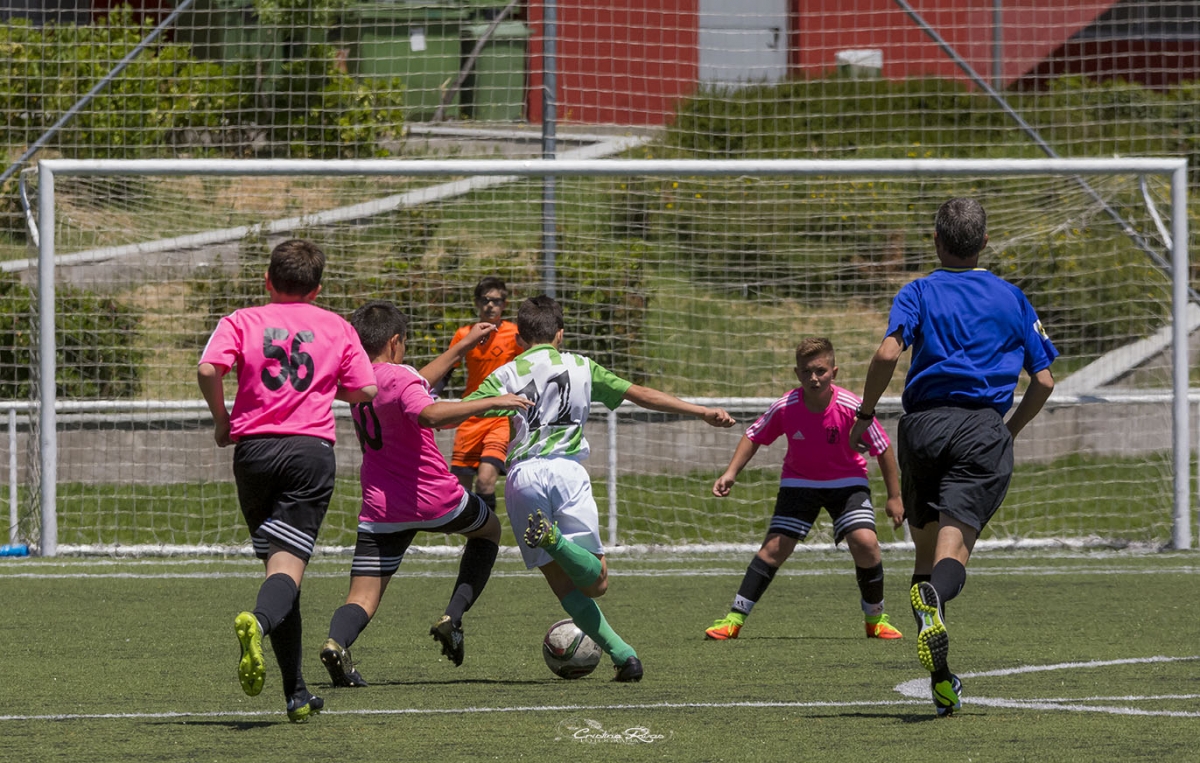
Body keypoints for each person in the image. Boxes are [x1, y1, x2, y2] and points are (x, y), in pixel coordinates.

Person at [849, 198, 1057, 717]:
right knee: (951, 556)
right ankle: (936, 599)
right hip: (980, 429)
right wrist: (1008, 432)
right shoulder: (1012, 298)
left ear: (937, 241)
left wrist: (865, 413)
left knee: (925, 558)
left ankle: (942, 683)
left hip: (922, 428)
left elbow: (887, 353)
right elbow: (1045, 380)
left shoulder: (918, 291)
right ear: (984, 242)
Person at [464, 295, 737, 682]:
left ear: (519, 338)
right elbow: (640, 394)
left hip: (522, 478)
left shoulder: (505, 373)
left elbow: (461, 410)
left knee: (562, 583)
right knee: (597, 582)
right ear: (560, 334)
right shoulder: (582, 367)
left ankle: (624, 656)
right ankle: (557, 541)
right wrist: (701, 411)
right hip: (567, 472)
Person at [197, 239, 378, 723]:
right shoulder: (337, 327)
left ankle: (296, 693)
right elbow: (366, 388)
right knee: (286, 569)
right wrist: (326, 387)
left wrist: (222, 420)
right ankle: (257, 623)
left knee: (281, 569)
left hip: (253, 453)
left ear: (267, 281)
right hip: (307, 454)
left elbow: (208, 367)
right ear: (317, 288)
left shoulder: (241, 320)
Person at [320, 301, 532, 686]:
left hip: (381, 508)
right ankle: (453, 616)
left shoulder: (357, 380)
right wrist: (492, 402)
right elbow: (428, 413)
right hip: (435, 499)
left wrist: (462, 346)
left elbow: (415, 381)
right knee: (489, 530)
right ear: (395, 342)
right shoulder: (400, 378)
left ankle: (336, 643)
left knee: (361, 598)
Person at [705, 337, 906, 642]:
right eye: (807, 371)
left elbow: (883, 448)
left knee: (865, 543)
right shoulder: (786, 406)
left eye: (820, 371)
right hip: (799, 482)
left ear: (833, 372)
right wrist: (731, 473)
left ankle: (876, 620)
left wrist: (894, 497)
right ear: (797, 373)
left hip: (847, 482)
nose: (814, 378)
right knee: (774, 548)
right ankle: (733, 619)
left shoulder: (852, 406)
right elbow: (754, 435)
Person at [436, 277, 522, 514]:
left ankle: (488, 531)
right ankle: (468, 531)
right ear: (476, 303)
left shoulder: (514, 334)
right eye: (485, 300)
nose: (490, 305)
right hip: (470, 415)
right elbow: (447, 369)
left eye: (497, 301)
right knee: (460, 488)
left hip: (499, 416)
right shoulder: (465, 334)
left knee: (485, 480)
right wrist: (429, 394)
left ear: (505, 304)